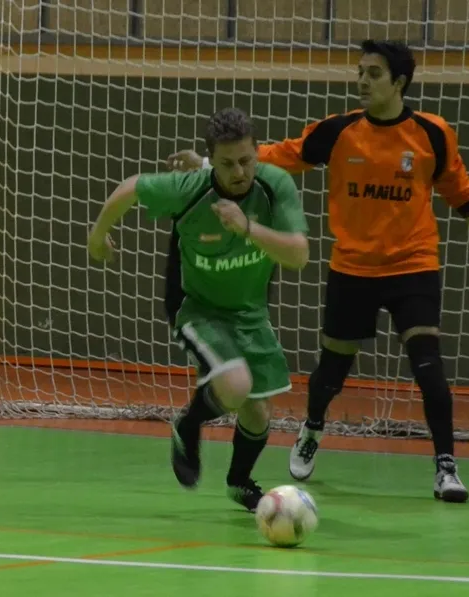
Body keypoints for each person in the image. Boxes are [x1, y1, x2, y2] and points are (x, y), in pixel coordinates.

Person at [167, 40, 469, 503]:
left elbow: (464, 196)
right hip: (353, 269)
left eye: (374, 73)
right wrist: (210, 164)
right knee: (331, 372)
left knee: (428, 366)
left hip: (413, 266)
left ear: (400, 82)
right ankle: (312, 428)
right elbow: (281, 154)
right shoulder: (339, 131)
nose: (363, 81)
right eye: (360, 72)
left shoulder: (432, 134)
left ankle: (446, 467)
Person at [88, 107, 311, 511]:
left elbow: (298, 255)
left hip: (250, 311)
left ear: (257, 152)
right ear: (212, 161)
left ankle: (239, 482)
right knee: (235, 385)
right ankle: (188, 425)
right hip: (196, 306)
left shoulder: (274, 185)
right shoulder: (190, 189)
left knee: (258, 412)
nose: (239, 171)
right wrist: (98, 236)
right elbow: (131, 188)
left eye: (246, 160)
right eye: (227, 164)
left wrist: (247, 227)